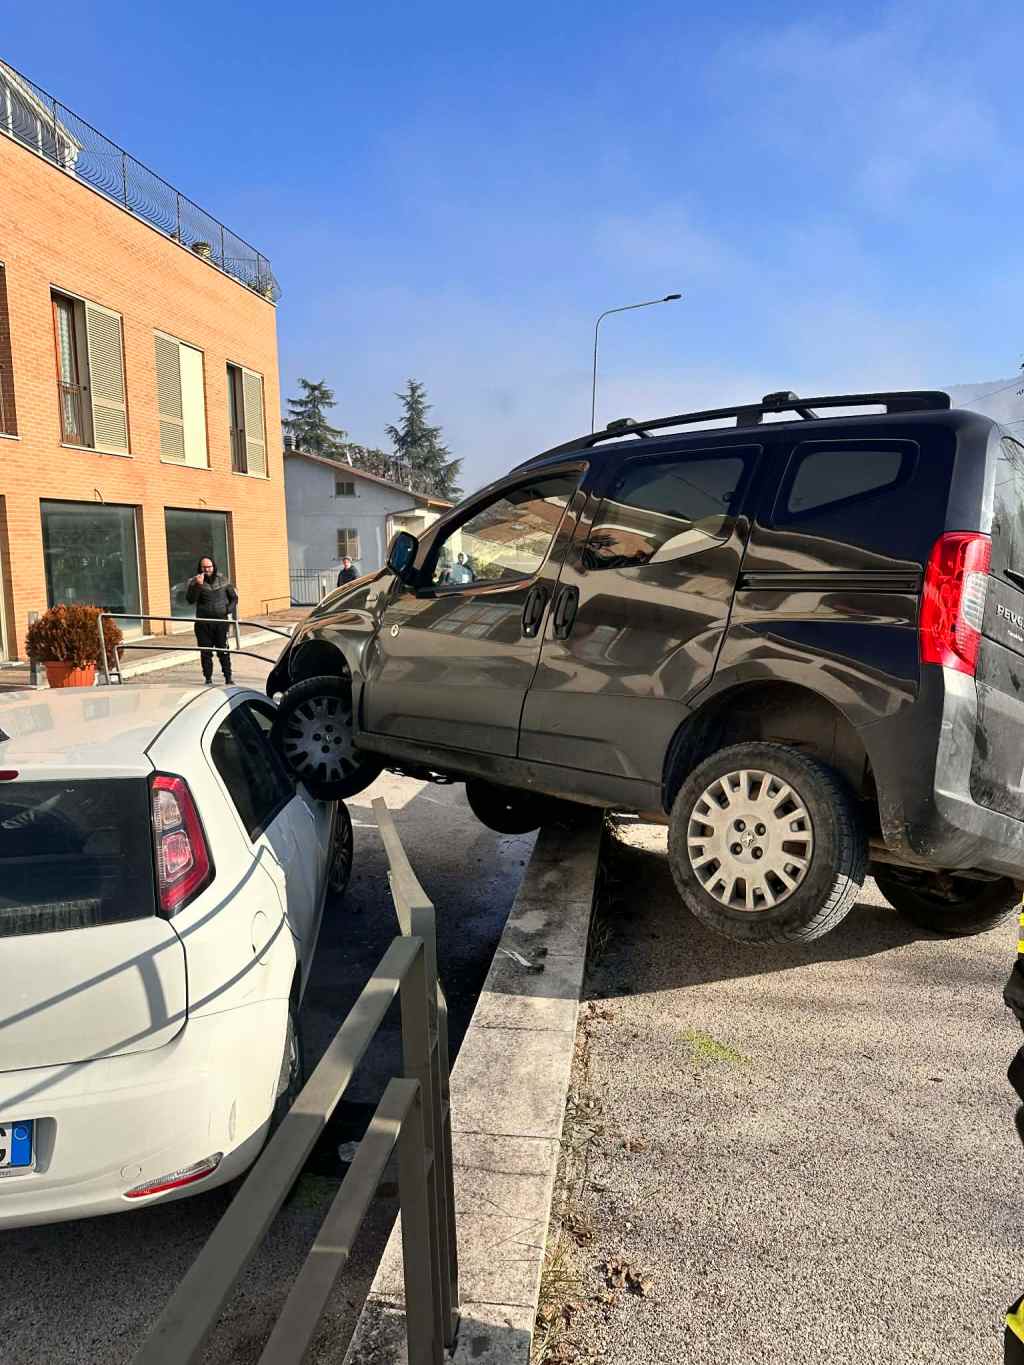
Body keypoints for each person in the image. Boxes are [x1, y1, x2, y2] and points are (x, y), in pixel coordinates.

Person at [186, 556, 238, 685]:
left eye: (209, 567)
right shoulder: (195, 582)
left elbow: (234, 598)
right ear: (200, 568)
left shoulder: (223, 580)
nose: (207, 569)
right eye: (204, 567)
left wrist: (228, 610)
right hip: (203, 623)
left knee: (223, 651)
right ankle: (208, 678)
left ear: (213, 567)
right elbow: (190, 600)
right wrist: (198, 585)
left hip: (221, 622)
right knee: (206, 652)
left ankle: (228, 677)